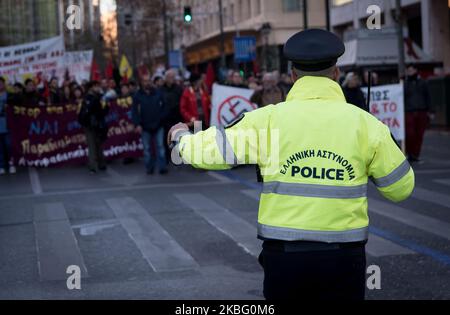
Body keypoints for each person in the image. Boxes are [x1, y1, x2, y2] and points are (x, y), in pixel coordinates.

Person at [168, 29, 415, 300]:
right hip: (344, 259)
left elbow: (209, 153)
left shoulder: (267, 120)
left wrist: (181, 137)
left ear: (294, 76)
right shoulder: (365, 124)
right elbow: (400, 188)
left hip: (285, 259)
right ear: (336, 73)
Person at [132, 76, 168, 175]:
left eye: (148, 81)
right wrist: (137, 124)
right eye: (144, 81)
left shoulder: (158, 93)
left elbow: (165, 106)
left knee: (160, 147)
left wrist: (161, 118)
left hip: (158, 124)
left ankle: (162, 167)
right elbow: (134, 111)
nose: (147, 83)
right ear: (141, 83)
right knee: (147, 149)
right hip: (144, 126)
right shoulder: (137, 96)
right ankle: (149, 167)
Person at [78, 81, 109, 174]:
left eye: (98, 86)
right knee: (92, 145)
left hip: (98, 124)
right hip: (90, 125)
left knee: (99, 144)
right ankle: (93, 166)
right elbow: (89, 111)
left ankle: (101, 164)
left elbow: (103, 112)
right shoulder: (88, 98)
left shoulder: (100, 97)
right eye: (96, 86)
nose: (98, 88)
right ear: (91, 87)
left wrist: (106, 106)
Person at [404, 64, 432, 163]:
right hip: (409, 111)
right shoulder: (405, 83)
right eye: (408, 70)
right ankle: (409, 152)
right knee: (410, 134)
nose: (409, 72)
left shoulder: (423, 82)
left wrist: (430, 110)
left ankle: (415, 154)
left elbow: (428, 96)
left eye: (411, 70)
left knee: (419, 134)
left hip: (421, 111)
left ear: (416, 70)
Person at [0, 77, 16, 175]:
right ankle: (1, 165)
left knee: (9, 145)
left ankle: (11, 164)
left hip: (7, 124)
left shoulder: (9, 95)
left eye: (1, 83)